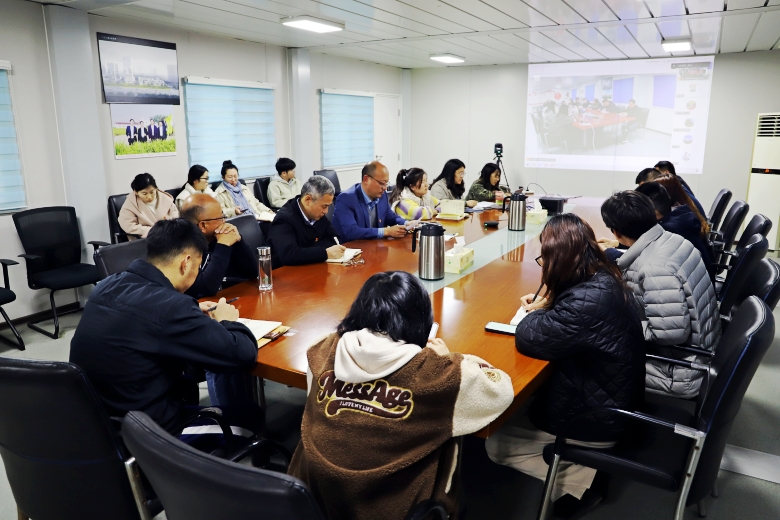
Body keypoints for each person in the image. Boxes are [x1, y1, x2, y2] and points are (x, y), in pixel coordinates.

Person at [288, 271, 514, 520]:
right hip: (396, 508)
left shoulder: (322, 349)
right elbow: (500, 390)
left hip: (313, 501)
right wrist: (449, 358)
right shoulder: (434, 372)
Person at [486, 214, 644, 515]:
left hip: (598, 417)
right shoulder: (602, 276)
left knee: (496, 446)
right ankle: (584, 469)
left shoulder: (585, 303)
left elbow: (528, 336)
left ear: (560, 260)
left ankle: (583, 480)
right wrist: (550, 305)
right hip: (612, 396)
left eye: (544, 260)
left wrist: (536, 312)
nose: (543, 266)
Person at [69, 219, 260, 434]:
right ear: (186, 263)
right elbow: (243, 354)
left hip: (100, 424)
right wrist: (228, 321)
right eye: (198, 267)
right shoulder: (172, 307)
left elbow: (142, 317)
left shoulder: (107, 285)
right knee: (250, 415)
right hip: (150, 434)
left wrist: (191, 310)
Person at [600, 191, 721, 399]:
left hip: (680, 370)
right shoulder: (673, 239)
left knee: (586, 354)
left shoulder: (654, 269)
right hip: (702, 350)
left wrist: (619, 325)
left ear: (616, 232)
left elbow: (669, 333)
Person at [180, 194, 258, 300]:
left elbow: (252, 272)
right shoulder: (183, 250)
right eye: (221, 217)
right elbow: (205, 289)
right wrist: (223, 246)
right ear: (203, 225)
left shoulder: (218, 237)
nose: (224, 221)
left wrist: (238, 240)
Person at [635, 181, 715, 281]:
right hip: (699, 285)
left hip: (688, 287)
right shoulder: (681, 217)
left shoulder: (667, 232)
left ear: (653, 212)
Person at [267, 176, 346, 268]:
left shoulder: (317, 215)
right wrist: (324, 253)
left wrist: (308, 251)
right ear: (307, 200)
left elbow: (334, 239)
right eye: (324, 206)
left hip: (311, 266)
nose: (326, 211)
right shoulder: (284, 219)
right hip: (284, 272)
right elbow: (289, 254)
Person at [332, 161, 417, 242]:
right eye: (382, 183)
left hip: (374, 246)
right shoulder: (346, 199)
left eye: (386, 183)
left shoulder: (381, 195)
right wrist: (386, 231)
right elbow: (352, 232)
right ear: (366, 179)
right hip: (351, 249)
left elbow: (390, 217)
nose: (385, 188)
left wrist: (406, 223)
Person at [118, 173, 179, 239]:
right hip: (145, 239)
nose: (149, 197)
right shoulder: (130, 203)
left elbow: (176, 216)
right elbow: (128, 225)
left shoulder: (166, 198)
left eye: (152, 192)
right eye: (144, 194)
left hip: (169, 236)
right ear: (136, 192)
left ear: (156, 188)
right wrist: (154, 231)